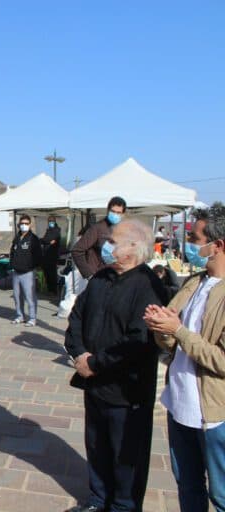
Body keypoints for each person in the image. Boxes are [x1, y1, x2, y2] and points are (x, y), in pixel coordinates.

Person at [65, 218, 166, 512]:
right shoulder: (101, 277)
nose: (106, 246)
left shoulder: (149, 285)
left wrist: (96, 364)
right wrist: (79, 354)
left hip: (126, 392)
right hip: (94, 384)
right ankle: (98, 500)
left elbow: (139, 341)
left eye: (112, 241)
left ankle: (123, 506)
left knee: (126, 456)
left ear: (133, 246)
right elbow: (77, 316)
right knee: (97, 447)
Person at [145, 207, 225, 512]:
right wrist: (161, 326)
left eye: (194, 239)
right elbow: (171, 339)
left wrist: (177, 330)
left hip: (214, 415)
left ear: (218, 245)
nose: (188, 244)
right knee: (188, 486)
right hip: (180, 405)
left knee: (221, 494)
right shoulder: (194, 283)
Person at [71, 196, 127, 279]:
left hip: (117, 276)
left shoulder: (124, 229)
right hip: (100, 277)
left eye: (118, 213)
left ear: (123, 214)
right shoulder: (97, 228)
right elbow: (77, 250)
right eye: (113, 211)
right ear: (108, 211)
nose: (115, 215)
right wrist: (89, 274)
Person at [9, 214, 42, 326]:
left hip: (28, 273)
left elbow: (38, 255)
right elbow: (12, 252)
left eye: (26, 223)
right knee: (17, 296)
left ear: (30, 224)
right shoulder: (17, 237)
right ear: (19, 224)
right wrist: (12, 264)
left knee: (30, 297)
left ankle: (32, 318)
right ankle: (20, 316)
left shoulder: (33, 238)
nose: (24, 225)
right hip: (16, 272)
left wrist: (31, 266)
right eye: (22, 223)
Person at [40, 215, 62, 296]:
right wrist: (47, 241)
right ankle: (49, 289)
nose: (50, 222)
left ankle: (54, 290)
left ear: (55, 221)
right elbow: (45, 239)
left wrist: (45, 241)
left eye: (52, 221)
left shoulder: (57, 230)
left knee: (52, 273)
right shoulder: (48, 230)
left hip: (53, 255)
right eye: (49, 221)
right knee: (46, 272)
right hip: (45, 255)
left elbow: (47, 239)